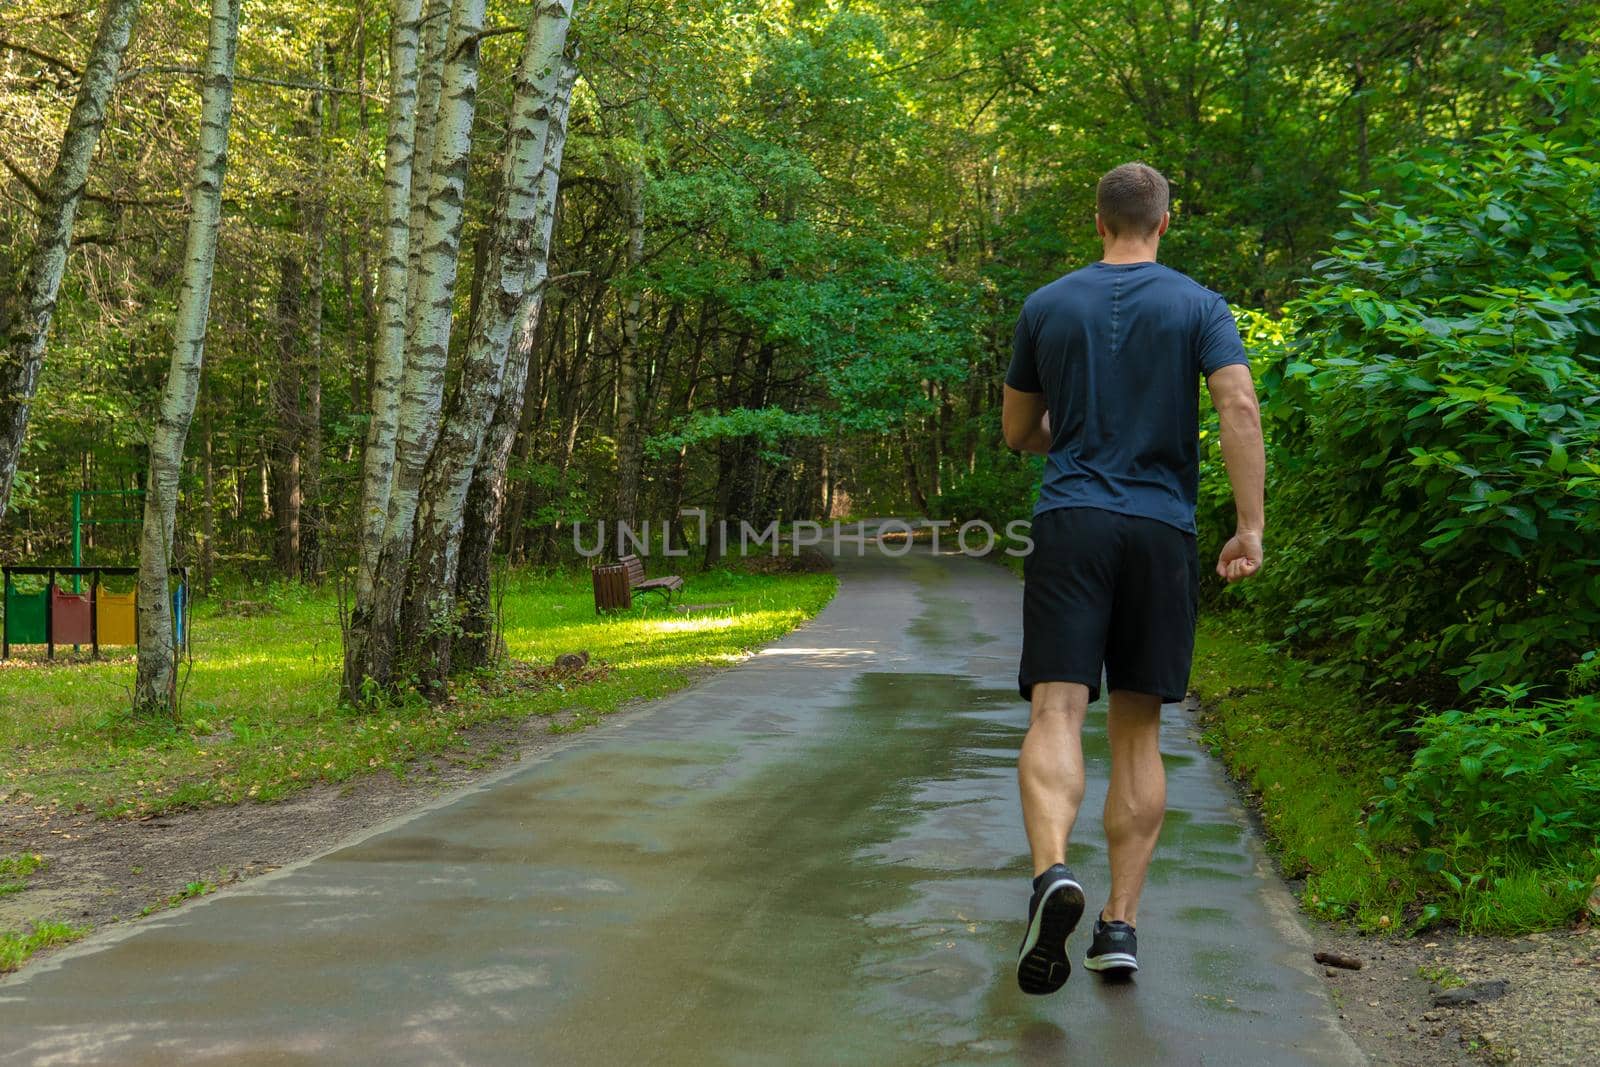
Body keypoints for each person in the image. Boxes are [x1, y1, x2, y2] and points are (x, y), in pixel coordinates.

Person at [1002, 162, 1266, 995]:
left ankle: (1052, 875)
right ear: (1163, 221)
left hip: (1071, 519)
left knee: (1056, 706)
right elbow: (1238, 406)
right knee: (1138, 728)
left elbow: (1020, 431)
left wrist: (1078, 436)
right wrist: (1249, 525)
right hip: (1160, 528)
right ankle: (1119, 925)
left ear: (1097, 220)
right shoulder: (1199, 305)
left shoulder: (1046, 305)